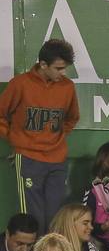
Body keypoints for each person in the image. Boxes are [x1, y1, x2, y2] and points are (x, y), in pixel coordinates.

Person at [0, 39, 78, 232]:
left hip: (57, 159)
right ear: (43, 64)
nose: (63, 73)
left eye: (65, 68)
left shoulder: (67, 87)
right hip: (28, 158)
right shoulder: (20, 84)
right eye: (59, 68)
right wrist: (16, 142)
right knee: (31, 218)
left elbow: (72, 118)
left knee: (55, 216)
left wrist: (57, 137)